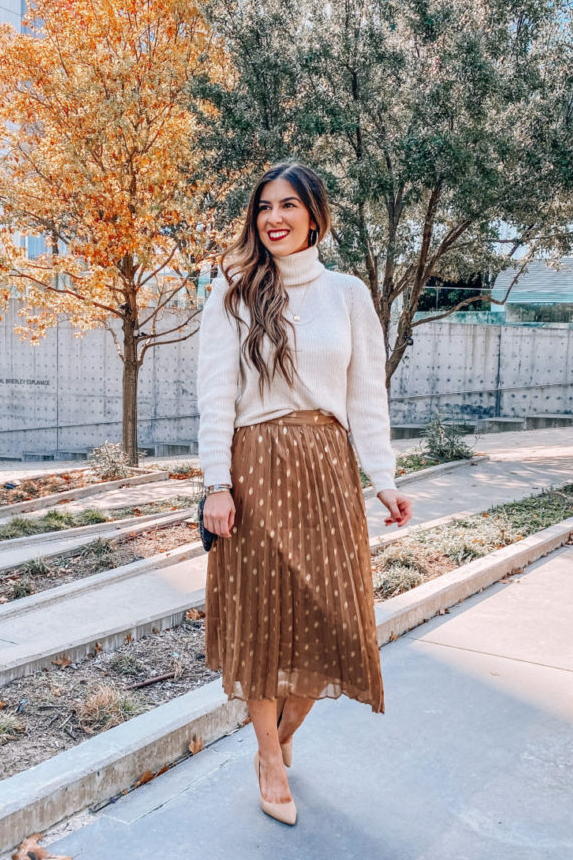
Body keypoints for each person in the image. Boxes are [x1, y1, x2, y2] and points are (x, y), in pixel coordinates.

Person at [196, 160, 412, 825]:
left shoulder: (346, 294)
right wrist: (215, 485)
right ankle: (266, 756)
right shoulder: (232, 290)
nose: (274, 218)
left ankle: (284, 733)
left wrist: (382, 478)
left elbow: (364, 394)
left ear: (314, 216)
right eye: (264, 206)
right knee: (260, 622)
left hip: (325, 466)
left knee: (328, 619)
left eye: (288, 205)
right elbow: (215, 395)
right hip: (254, 465)